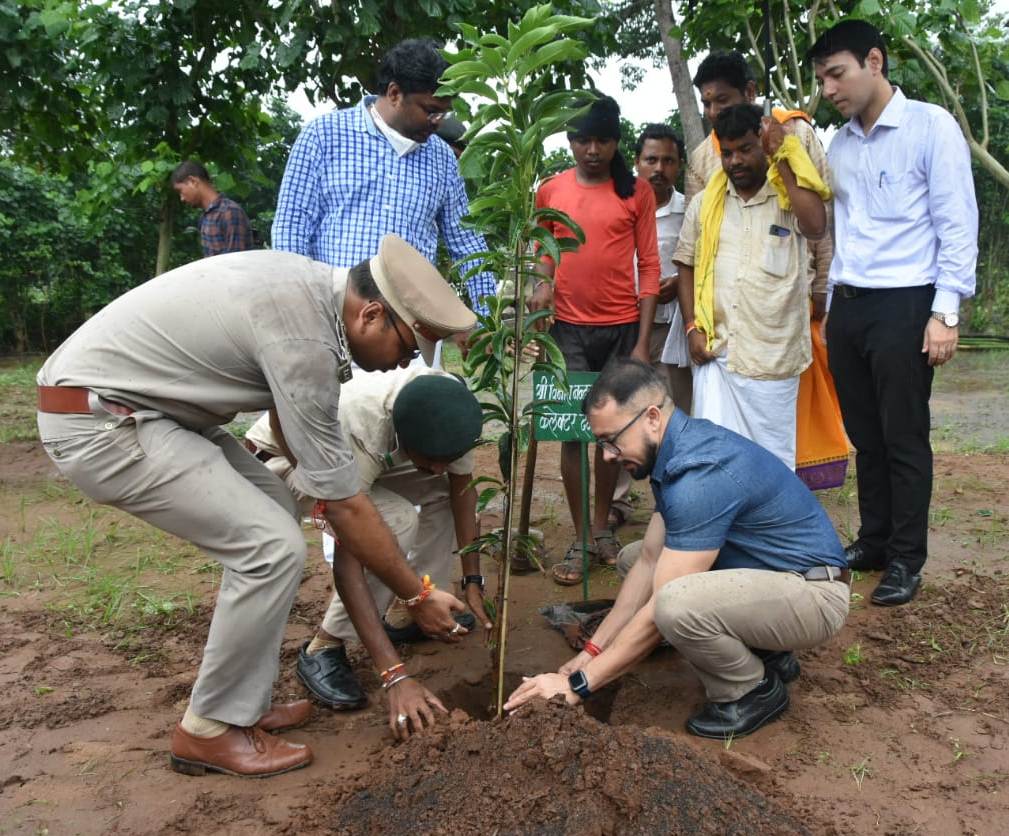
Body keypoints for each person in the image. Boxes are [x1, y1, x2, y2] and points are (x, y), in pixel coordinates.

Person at [35, 235, 475, 778]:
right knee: (270, 548)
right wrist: (418, 595)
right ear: (372, 314)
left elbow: (302, 447)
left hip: (147, 409)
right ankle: (209, 729)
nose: (407, 361)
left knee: (271, 505)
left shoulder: (309, 291)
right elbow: (346, 507)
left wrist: (327, 491)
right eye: (409, 346)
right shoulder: (305, 341)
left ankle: (240, 703)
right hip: (101, 421)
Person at [504, 358, 849, 740]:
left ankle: (751, 689)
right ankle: (767, 652)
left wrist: (578, 685)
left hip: (815, 594)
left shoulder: (698, 475)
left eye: (611, 441)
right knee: (634, 558)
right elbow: (650, 560)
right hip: (776, 577)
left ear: (652, 417)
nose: (606, 456)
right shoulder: (679, 447)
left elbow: (658, 611)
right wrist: (592, 651)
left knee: (674, 603)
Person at [808, 20, 978, 606]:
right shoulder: (840, 144)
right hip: (850, 307)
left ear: (874, 61)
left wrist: (945, 313)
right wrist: (832, 308)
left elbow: (957, 223)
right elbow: (840, 232)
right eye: (822, 78)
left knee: (904, 436)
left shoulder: (930, 127)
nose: (829, 88)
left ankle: (907, 558)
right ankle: (875, 539)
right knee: (865, 436)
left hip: (907, 303)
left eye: (838, 73)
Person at [243, 366, 494, 709]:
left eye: (446, 460)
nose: (440, 468)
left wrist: (473, 581)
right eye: (433, 460)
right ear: (404, 438)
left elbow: (462, 491)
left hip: (372, 455)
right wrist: (393, 673)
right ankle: (325, 646)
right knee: (395, 521)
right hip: (286, 461)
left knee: (440, 493)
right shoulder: (360, 425)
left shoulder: (451, 411)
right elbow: (351, 552)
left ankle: (418, 610)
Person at [682, 51, 847, 488]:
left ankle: (776, 535)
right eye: (708, 104)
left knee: (773, 463)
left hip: (774, 341)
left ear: (750, 95)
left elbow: (819, 225)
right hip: (720, 343)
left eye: (723, 99)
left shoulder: (793, 138)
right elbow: (692, 256)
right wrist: (691, 326)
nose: (733, 160)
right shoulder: (704, 165)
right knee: (714, 460)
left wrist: (822, 288)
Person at [529, 95, 660, 585]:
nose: (591, 149)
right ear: (569, 140)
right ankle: (582, 536)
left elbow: (649, 264)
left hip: (622, 328)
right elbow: (543, 255)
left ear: (615, 142)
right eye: (582, 139)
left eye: (601, 140)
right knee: (570, 431)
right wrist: (538, 292)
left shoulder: (636, 192)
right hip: (566, 328)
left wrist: (643, 342)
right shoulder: (551, 190)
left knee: (611, 433)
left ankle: (602, 528)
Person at [272, 38, 495, 319]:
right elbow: (291, 229)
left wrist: (490, 319)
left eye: (444, 112)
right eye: (430, 110)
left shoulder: (442, 159)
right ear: (394, 93)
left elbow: (467, 244)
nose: (438, 121)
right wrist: (300, 311)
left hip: (413, 329)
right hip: (333, 320)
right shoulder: (323, 136)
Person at [611, 123, 690, 529]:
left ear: (679, 166)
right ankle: (617, 503)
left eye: (668, 161)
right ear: (637, 161)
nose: (659, 168)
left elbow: (692, 263)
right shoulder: (619, 202)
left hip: (672, 331)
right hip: (626, 328)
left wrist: (677, 285)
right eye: (651, 159)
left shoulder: (688, 209)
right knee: (624, 415)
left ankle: (674, 505)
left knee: (672, 417)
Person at [170, 160, 255, 257]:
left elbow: (236, 264)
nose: (182, 198)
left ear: (193, 181)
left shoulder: (229, 212)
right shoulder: (206, 216)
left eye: (180, 191)